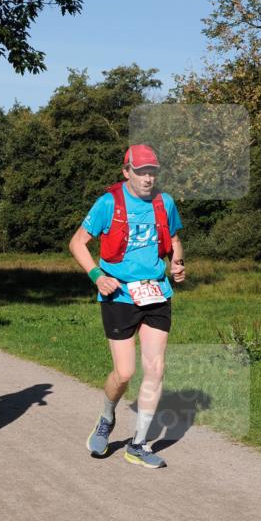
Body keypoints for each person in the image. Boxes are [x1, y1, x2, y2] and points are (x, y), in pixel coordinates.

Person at [69, 144, 185, 469]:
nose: (148, 178)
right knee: (124, 373)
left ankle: (138, 444)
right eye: (141, 171)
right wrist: (96, 275)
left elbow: (174, 240)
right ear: (126, 171)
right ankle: (107, 417)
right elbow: (77, 242)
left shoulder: (165, 203)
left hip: (156, 293)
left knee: (156, 368)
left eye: (152, 172)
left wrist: (177, 263)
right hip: (119, 295)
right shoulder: (109, 203)